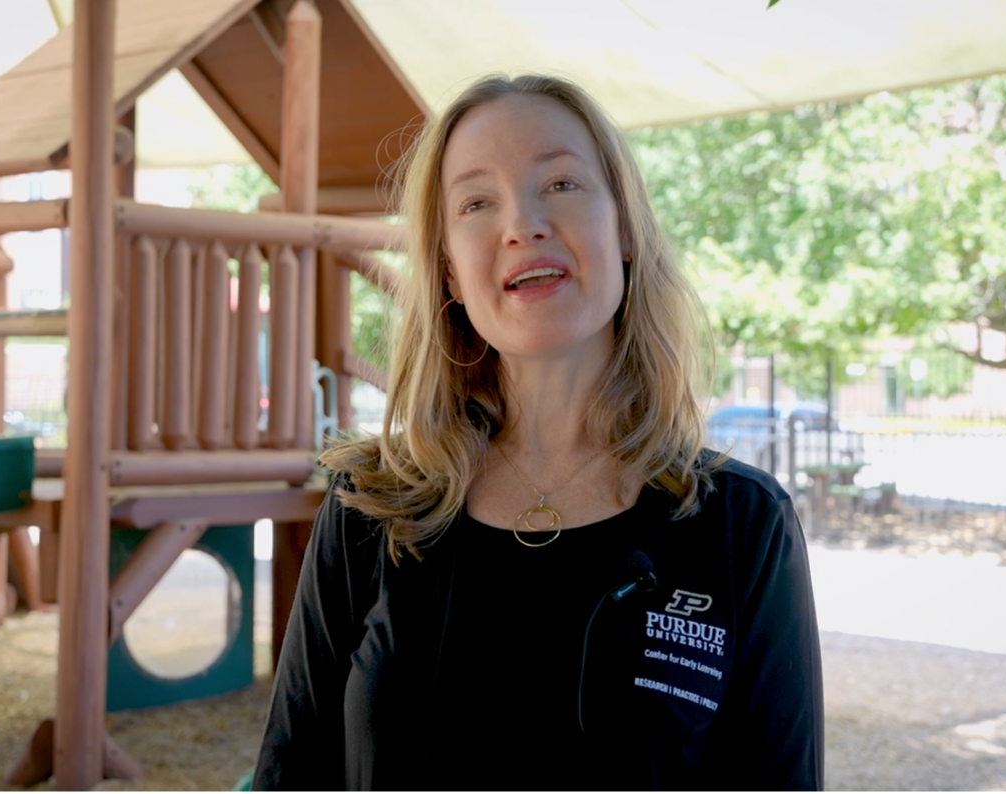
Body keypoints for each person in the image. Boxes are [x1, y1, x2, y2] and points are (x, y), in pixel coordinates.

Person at [253, 73, 823, 792]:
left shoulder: (742, 525)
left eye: (560, 184)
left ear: (624, 229)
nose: (522, 224)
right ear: (449, 271)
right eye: (476, 202)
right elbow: (289, 773)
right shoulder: (368, 507)